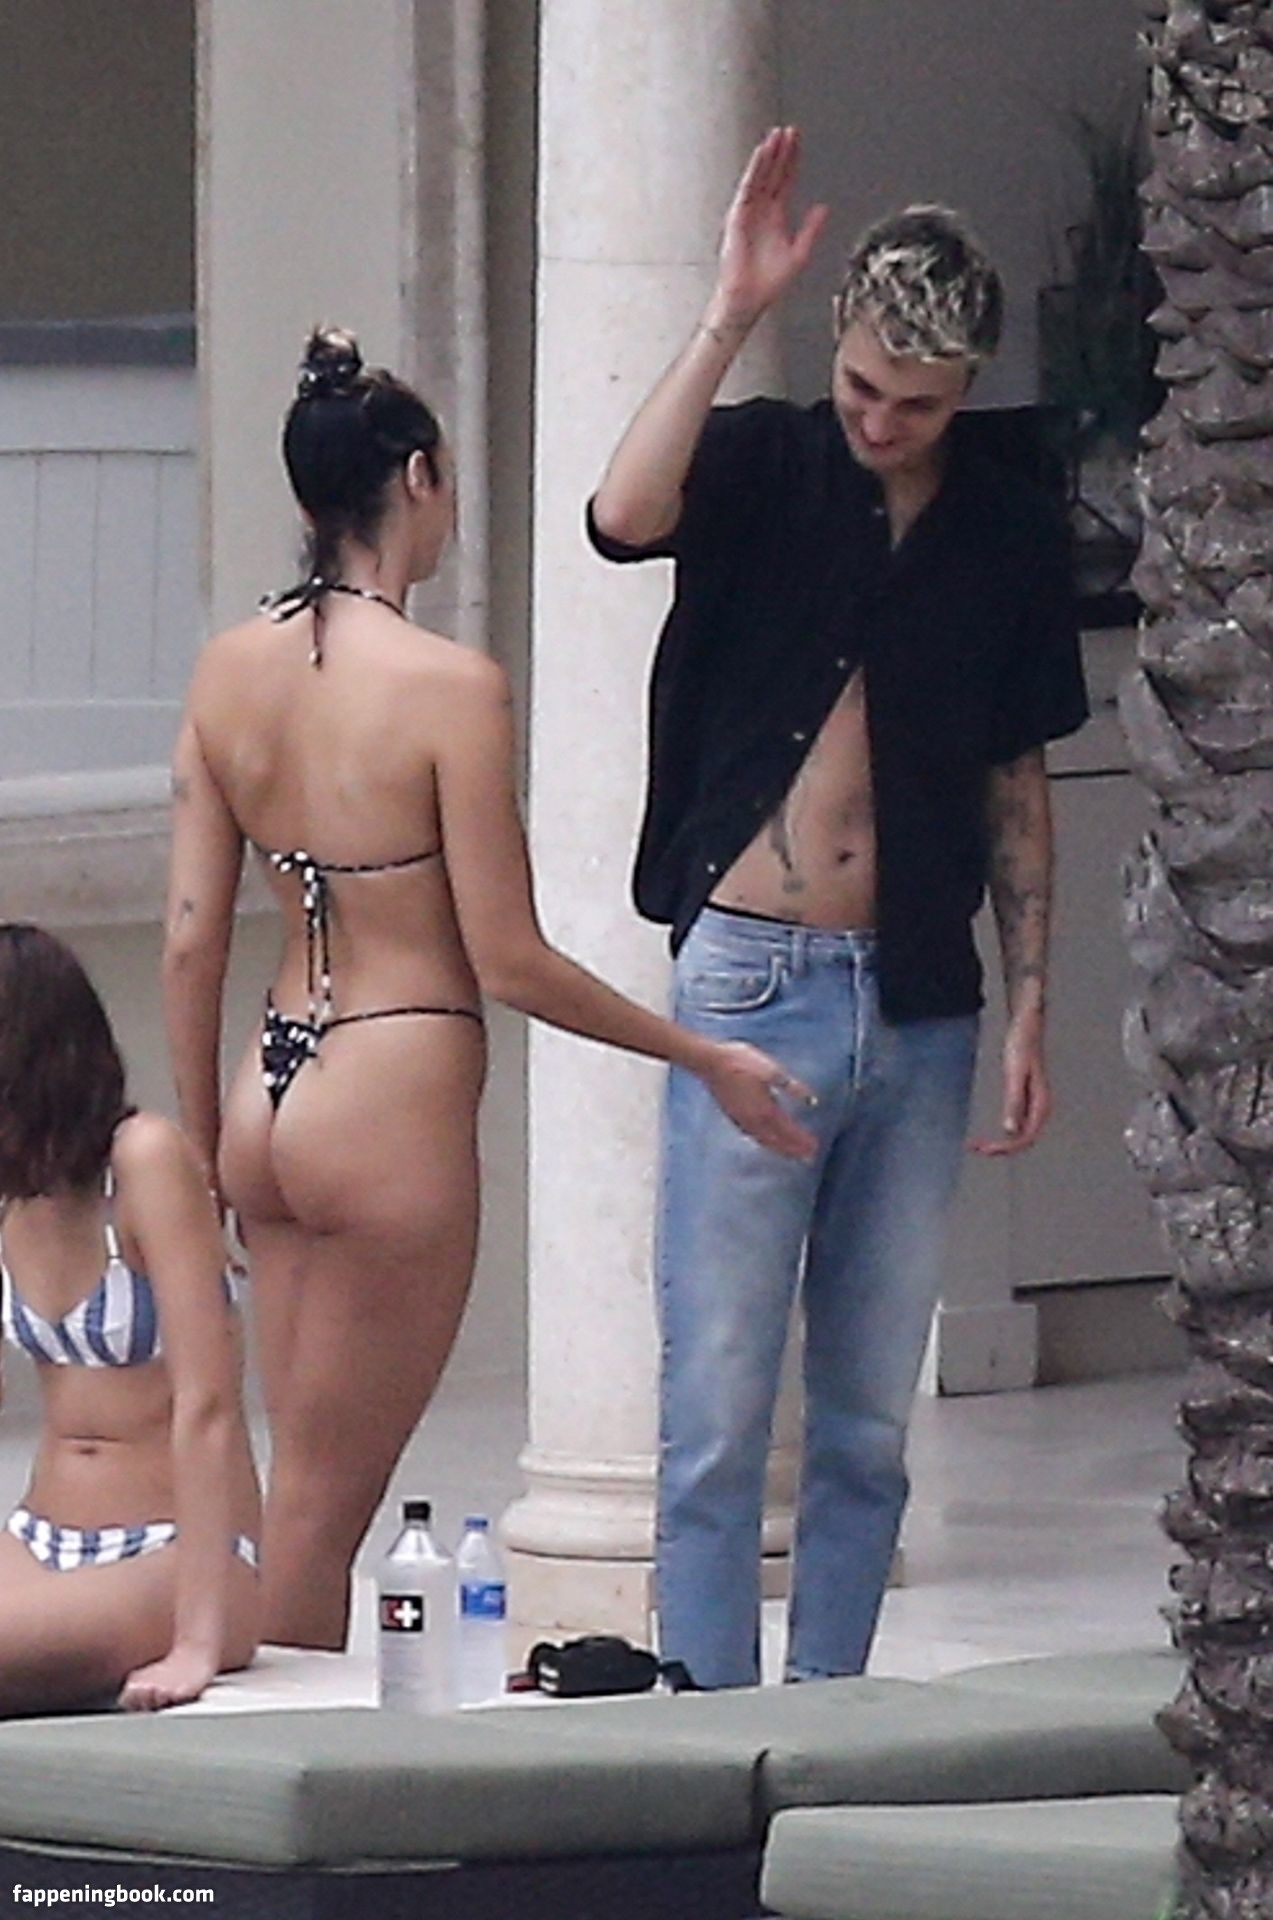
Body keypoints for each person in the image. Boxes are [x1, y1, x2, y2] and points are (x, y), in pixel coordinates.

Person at [163, 327, 814, 1653]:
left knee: (295, 1496)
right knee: (317, 1524)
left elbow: (188, 941)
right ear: (417, 480)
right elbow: (510, 957)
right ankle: (262, 1750)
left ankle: (251, 1716)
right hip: (390, 1089)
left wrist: (201, 1145)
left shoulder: (228, 671)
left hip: (267, 1087)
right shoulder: (451, 689)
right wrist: (700, 1053)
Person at [588, 126, 1090, 1688]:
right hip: (755, 973)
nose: (880, 421)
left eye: (915, 404)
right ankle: (705, 1731)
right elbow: (619, 514)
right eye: (864, 387)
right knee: (717, 1411)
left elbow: (1017, 776)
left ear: (965, 391)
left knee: (868, 1418)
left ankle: (832, 1719)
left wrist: (1033, 998)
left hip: (919, 992)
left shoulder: (1003, 520)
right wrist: (729, 312)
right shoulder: (766, 461)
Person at [0, 924, 261, 1715]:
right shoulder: (15, 1184)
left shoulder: (144, 1159)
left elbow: (208, 1404)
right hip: (39, 1539)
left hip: (172, 1551)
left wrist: (198, 1640)